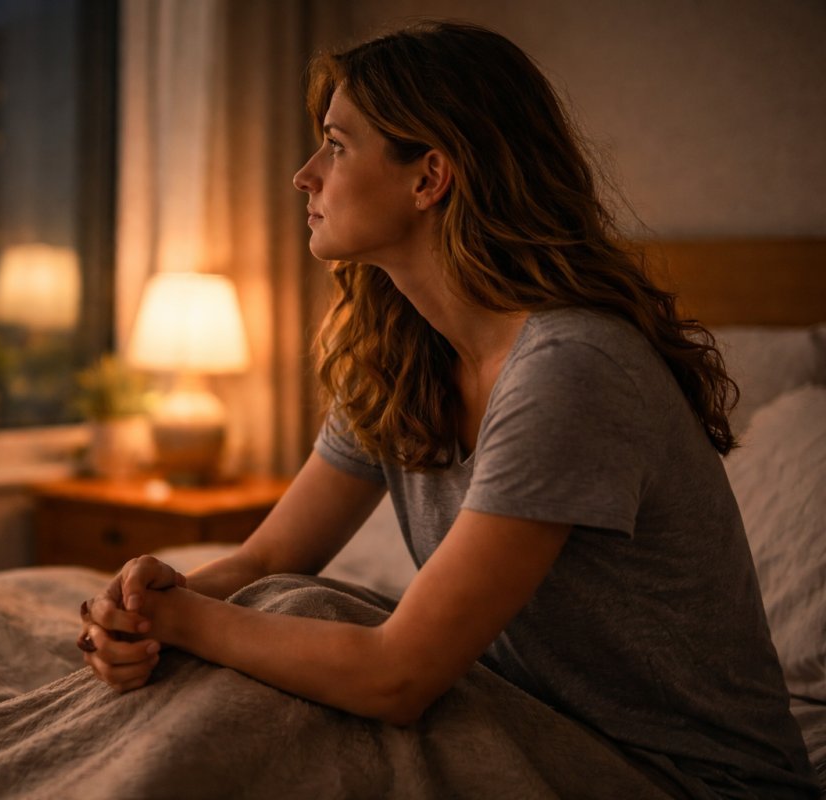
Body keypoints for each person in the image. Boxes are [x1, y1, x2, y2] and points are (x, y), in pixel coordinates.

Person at [78, 20, 817, 799]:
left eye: (335, 144)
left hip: (684, 778)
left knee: (300, 625)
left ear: (429, 177)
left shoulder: (572, 370)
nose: (304, 175)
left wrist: (186, 624)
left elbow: (397, 675)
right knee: (289, 606)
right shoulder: (402, 358)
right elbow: (265, 562)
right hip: (542, 723)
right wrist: (146, 605)